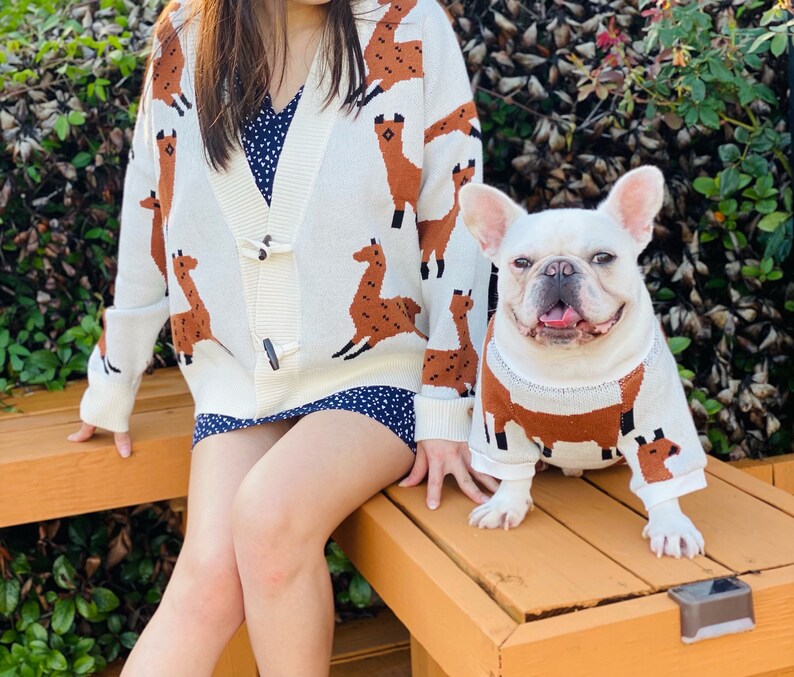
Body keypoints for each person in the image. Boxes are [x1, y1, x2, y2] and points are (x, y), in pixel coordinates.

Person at [67, 0, 494, 673]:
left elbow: (458, 214)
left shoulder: (409, 25)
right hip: (240, 376)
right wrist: (115, 377)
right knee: (207, 577)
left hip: (379, 367)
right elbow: (147, 207)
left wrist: (447, 397)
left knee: (268, 518)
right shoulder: (183, 37)